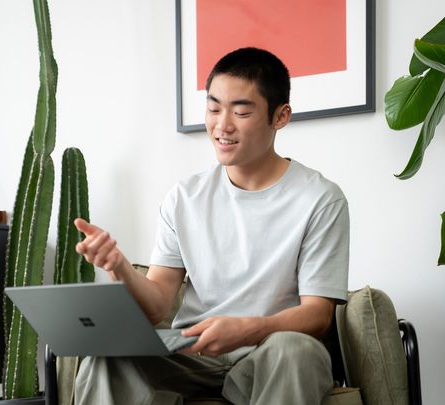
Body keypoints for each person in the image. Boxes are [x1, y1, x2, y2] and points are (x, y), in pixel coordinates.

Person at [73, 47, 349, 405]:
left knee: (296, 350)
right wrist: (119, 266)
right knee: (106, 354)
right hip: (193, 355)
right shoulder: (184, 198)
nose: (222, 125)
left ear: (280, 117)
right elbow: (157, 306)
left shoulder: (320, 198)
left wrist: (248, 329)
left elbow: (318, 315)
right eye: (214, 108)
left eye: (242, 111)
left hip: (269, 352)